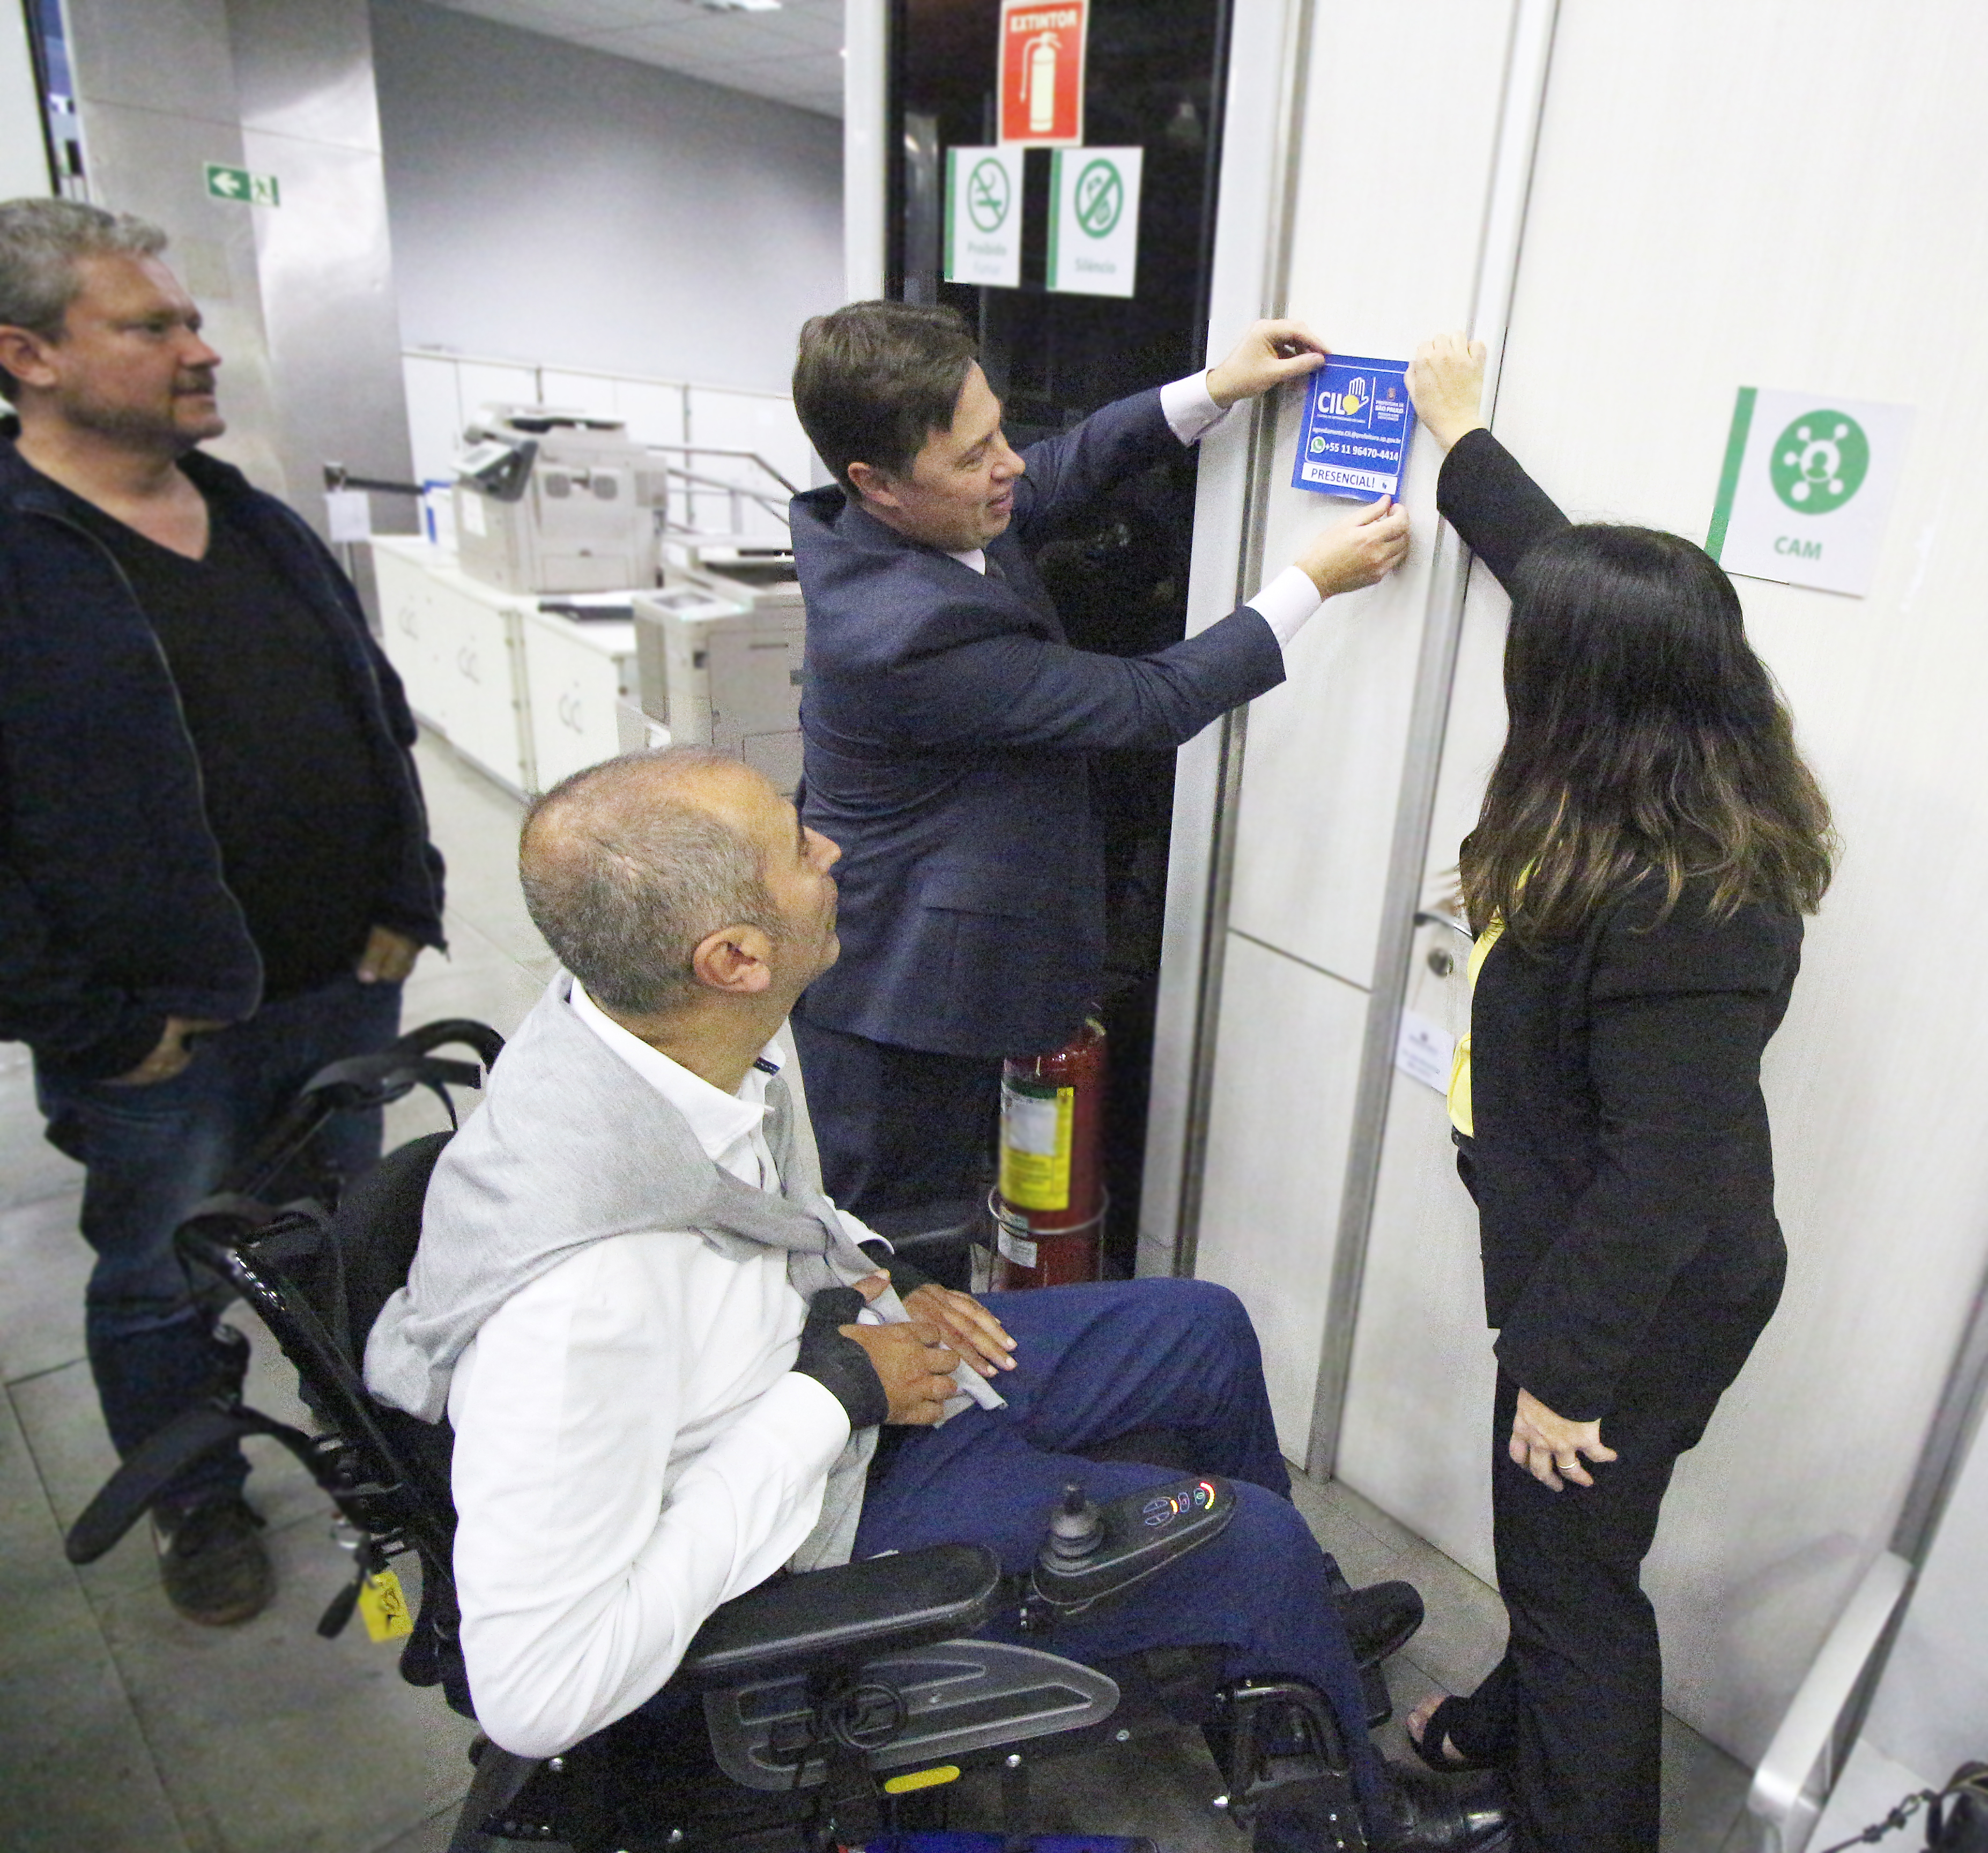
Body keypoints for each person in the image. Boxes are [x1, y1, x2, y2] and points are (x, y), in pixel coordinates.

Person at [364, 747, 1505, 1853]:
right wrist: (837, 1391)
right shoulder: (578, 1302)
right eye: (795, 847)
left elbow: (778, 1214)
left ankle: (1283, 1636)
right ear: (733, 956)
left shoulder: (666, 1033)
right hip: (806, 1509)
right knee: (1246, 1540)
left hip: (820, 1373)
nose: (831, 847)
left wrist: (890, 1277)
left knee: (1202, 1330)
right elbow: (537, 1692)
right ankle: (1343, 1815)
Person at [1399, 332, 1837, 1853]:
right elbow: (1556, 572)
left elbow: (1662, 1172)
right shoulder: (1660, 754)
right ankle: (1488, 1733)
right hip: (1600, 1263)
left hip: (1635, 1298)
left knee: (1572, 1581)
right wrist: (1460, 440)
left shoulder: (1689, 903)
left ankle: (1565, 1823)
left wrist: (1565, 1373)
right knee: (1564, 1550)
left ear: (1579, 701)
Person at [0, 198, 445, 1625]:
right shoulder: (20, 556)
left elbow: (372, 714)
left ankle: (376, 1456)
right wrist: (95, 1024)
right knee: (160, 1281)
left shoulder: (252, 516)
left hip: (341, 991)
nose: (200, 349)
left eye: (188, 319)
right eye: (152, 325)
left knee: (345, 1243)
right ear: (29, 355)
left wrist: (406, 895)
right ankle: (198, 1500)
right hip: (163, 1036)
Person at [787, 301, 1411, 1217]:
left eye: (996, 430)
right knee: (903, 1245)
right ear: (874, 482)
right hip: (896, 1004)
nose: (1005, 465)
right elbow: (1152, 703)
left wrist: (1214, 389)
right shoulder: (903, 633)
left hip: (930, 956)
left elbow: (1053, 473)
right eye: (972, 456)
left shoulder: (916, 520)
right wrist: (1311, 581)